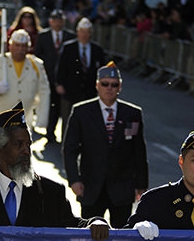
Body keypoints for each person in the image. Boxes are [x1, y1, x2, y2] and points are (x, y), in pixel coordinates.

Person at [0, 102, 109, 239]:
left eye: (28, 145)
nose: (26, 150)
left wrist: (95, 222)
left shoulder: (51, 193)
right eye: (18, 144)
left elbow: (74, 226)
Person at [62, 62, 148, 228]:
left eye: (114, 85)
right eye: (105, 84)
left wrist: (141, 185)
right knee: (90, 236)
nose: (109, 88)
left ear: (120, 87)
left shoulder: (132, 114)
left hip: (122, 188)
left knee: (121, 236)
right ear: (97, 85)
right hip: (91, 187)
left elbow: (139, 151)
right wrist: (74, 180)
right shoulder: (81, 112)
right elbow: (70, 149)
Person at [0, 29, 50, 129]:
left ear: (29, 47)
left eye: (24, 46)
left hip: (24, 119)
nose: (20, 49)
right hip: (0, 118)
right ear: (10, 46)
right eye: (17, 45)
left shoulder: (36, 65)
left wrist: (42, 118)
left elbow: (44, 91)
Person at [35, 9, 75, 143]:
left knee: (64, 107)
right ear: (50, 22)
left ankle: (65, 133)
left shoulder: (70, 37)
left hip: (64, 78)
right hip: (48, 76)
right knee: (51, 105)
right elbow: (38, 55)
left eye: (60, 20)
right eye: (55, 20)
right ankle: (50, 132)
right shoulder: (43, 36)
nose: (58, 23)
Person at [56, 17, 106, 123]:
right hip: (70, 90)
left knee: (87, 121)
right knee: (68, 120)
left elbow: (102, 70)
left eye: (88, 32)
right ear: (77, 32)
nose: (85, 35)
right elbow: (61, 67)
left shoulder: (97, 50)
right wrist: (59, 84)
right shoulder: (68, 47)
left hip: (89, 91)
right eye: (82, 32)